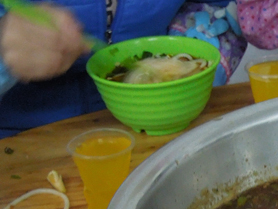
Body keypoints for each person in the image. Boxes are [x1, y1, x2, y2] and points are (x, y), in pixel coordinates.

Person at [0, 0, 245, 139]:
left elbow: (219, 7)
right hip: (23, 147)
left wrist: (188, 75)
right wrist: (4, 46)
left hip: (170, 132)